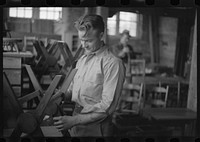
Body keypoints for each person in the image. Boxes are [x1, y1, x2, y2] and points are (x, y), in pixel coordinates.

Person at [53, 14, 125, 136]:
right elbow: (72, 90)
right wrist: (57, 96)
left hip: (96, 127)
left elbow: (106, 107)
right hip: (76, 122)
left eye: (89, 41)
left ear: (101, 35)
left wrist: (74, 120)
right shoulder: (82, 60)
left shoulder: (112, 64)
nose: (84, 45)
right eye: (82, 40)